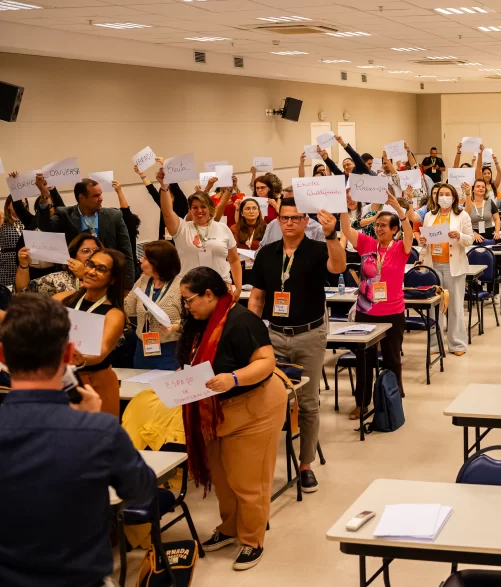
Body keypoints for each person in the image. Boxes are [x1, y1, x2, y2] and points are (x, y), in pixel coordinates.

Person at [0, 293, 155, 587]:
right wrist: (95, 421)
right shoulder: (100, 432)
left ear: (4, 356)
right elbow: (143, 492)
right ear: (68, 353)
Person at [176, 267, 286, 569]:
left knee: (248, 482)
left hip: (254, 408)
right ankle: (229, 527)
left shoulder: (241, 320)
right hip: (216, 411)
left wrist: (234, 378)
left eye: (189, 300)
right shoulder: (202, 321)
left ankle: (253, 539)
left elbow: (266, 362)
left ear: (210, 295)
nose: (186, 307)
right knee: (223, 480)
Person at [247, 199, 345, 493]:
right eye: (284, 218)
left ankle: (306, 465)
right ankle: (262, 461)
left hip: (309, 335)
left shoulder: (317, 249)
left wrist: (331, 235)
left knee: (308, 403)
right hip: (273, 336)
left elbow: (338, 266)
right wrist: (251, 334)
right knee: (267, 398)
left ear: (306, 222)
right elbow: (256, 298)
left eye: (295, 218)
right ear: (277, 221)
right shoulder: (266, 254)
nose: (289, 223)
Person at [339, 192, 413, 417]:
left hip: (392, 312)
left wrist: (399, 212)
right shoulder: (367, 244)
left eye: (384, 225)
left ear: (394, 230)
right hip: (366, 311)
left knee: (392, 359)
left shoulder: (401, 248)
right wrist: (342, 205)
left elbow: (409, 233)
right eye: (377, 225)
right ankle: (362, 402)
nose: (379, 228)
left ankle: (393, 398)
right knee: (365, 360)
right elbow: (346, 229)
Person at [56, 249, 127, 417]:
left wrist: (83, 359)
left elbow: (102, 351)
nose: (91, 272)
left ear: (113, 279)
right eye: (90, 264)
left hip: (95, 383)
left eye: (101, 269)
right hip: (62, 379)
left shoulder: (114, 314)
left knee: (96, 439)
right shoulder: (62, 300)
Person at [35, 176, 134, 291]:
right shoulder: (65, 215)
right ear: (82, 197)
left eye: (101, 194)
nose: (101, 198)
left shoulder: (114, 216)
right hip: (74, 281)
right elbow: (44, 226)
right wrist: (44, 196)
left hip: (108, 280)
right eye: (96, 196)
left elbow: (126, 253)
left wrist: (126, 287)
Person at [158, 168, 242, 296]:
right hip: (190, 290)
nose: (199, 211)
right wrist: (164, 187)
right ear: (190, 210)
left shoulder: (223, 228)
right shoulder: (182, 228)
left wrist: (238, 287)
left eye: (203, 207)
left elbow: (234, 260)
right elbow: (167, 213)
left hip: (220, 289)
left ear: (210, 208)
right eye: (195, 207)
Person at [422, 183, 473, 355]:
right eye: (440, 194)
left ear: (453, 198)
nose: (443, 197)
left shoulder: (462, 215)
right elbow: (426, 240)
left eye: (447, 194)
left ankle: (457, 344)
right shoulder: (429, 216)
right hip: (433, 265)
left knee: (455, 306)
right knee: (433, 306)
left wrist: (459, 236)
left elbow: (470, 239)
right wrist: (422, 242)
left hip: (454, 266)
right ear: (435, 198)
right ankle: (435, 344)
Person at [124, 240, 183, 371]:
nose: (140, 260)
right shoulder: (143, 280)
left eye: (145, 258)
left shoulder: (180, 286)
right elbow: (127, 308)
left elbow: (191, 322)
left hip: (169, 351)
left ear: (158, 263)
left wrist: (174, 327)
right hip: (142, 349)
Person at [15, 232, 99, 296]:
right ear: (73, 256)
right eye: (86, 251)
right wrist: (23, 265)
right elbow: (24, 292)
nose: (92, 254)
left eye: (96, 250)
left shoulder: (107, 275)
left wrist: (83, 275)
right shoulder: (59, 279)